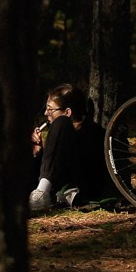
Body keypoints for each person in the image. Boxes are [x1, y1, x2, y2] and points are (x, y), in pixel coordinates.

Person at [30, 83, 96, 213]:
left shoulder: (90, 132)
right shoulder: (58, 135)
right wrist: (38, 151)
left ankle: (41, 194)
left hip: (79, 187)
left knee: (60, 122)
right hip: (52, 190)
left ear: (67, 112)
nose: (45, 113)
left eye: (50, 109)